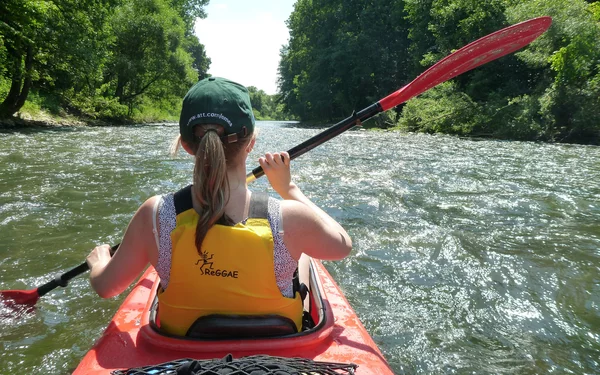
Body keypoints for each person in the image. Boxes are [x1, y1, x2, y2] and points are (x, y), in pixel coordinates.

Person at [86, 77, 352, 336]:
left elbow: (106, 287)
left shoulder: (154, 215)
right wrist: (289, 189)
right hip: (275, 358)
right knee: (302, 255)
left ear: (188, 146)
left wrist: (99, 263)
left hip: (183, 360)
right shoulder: (290, 219)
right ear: (251, 143)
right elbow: (342, 244)